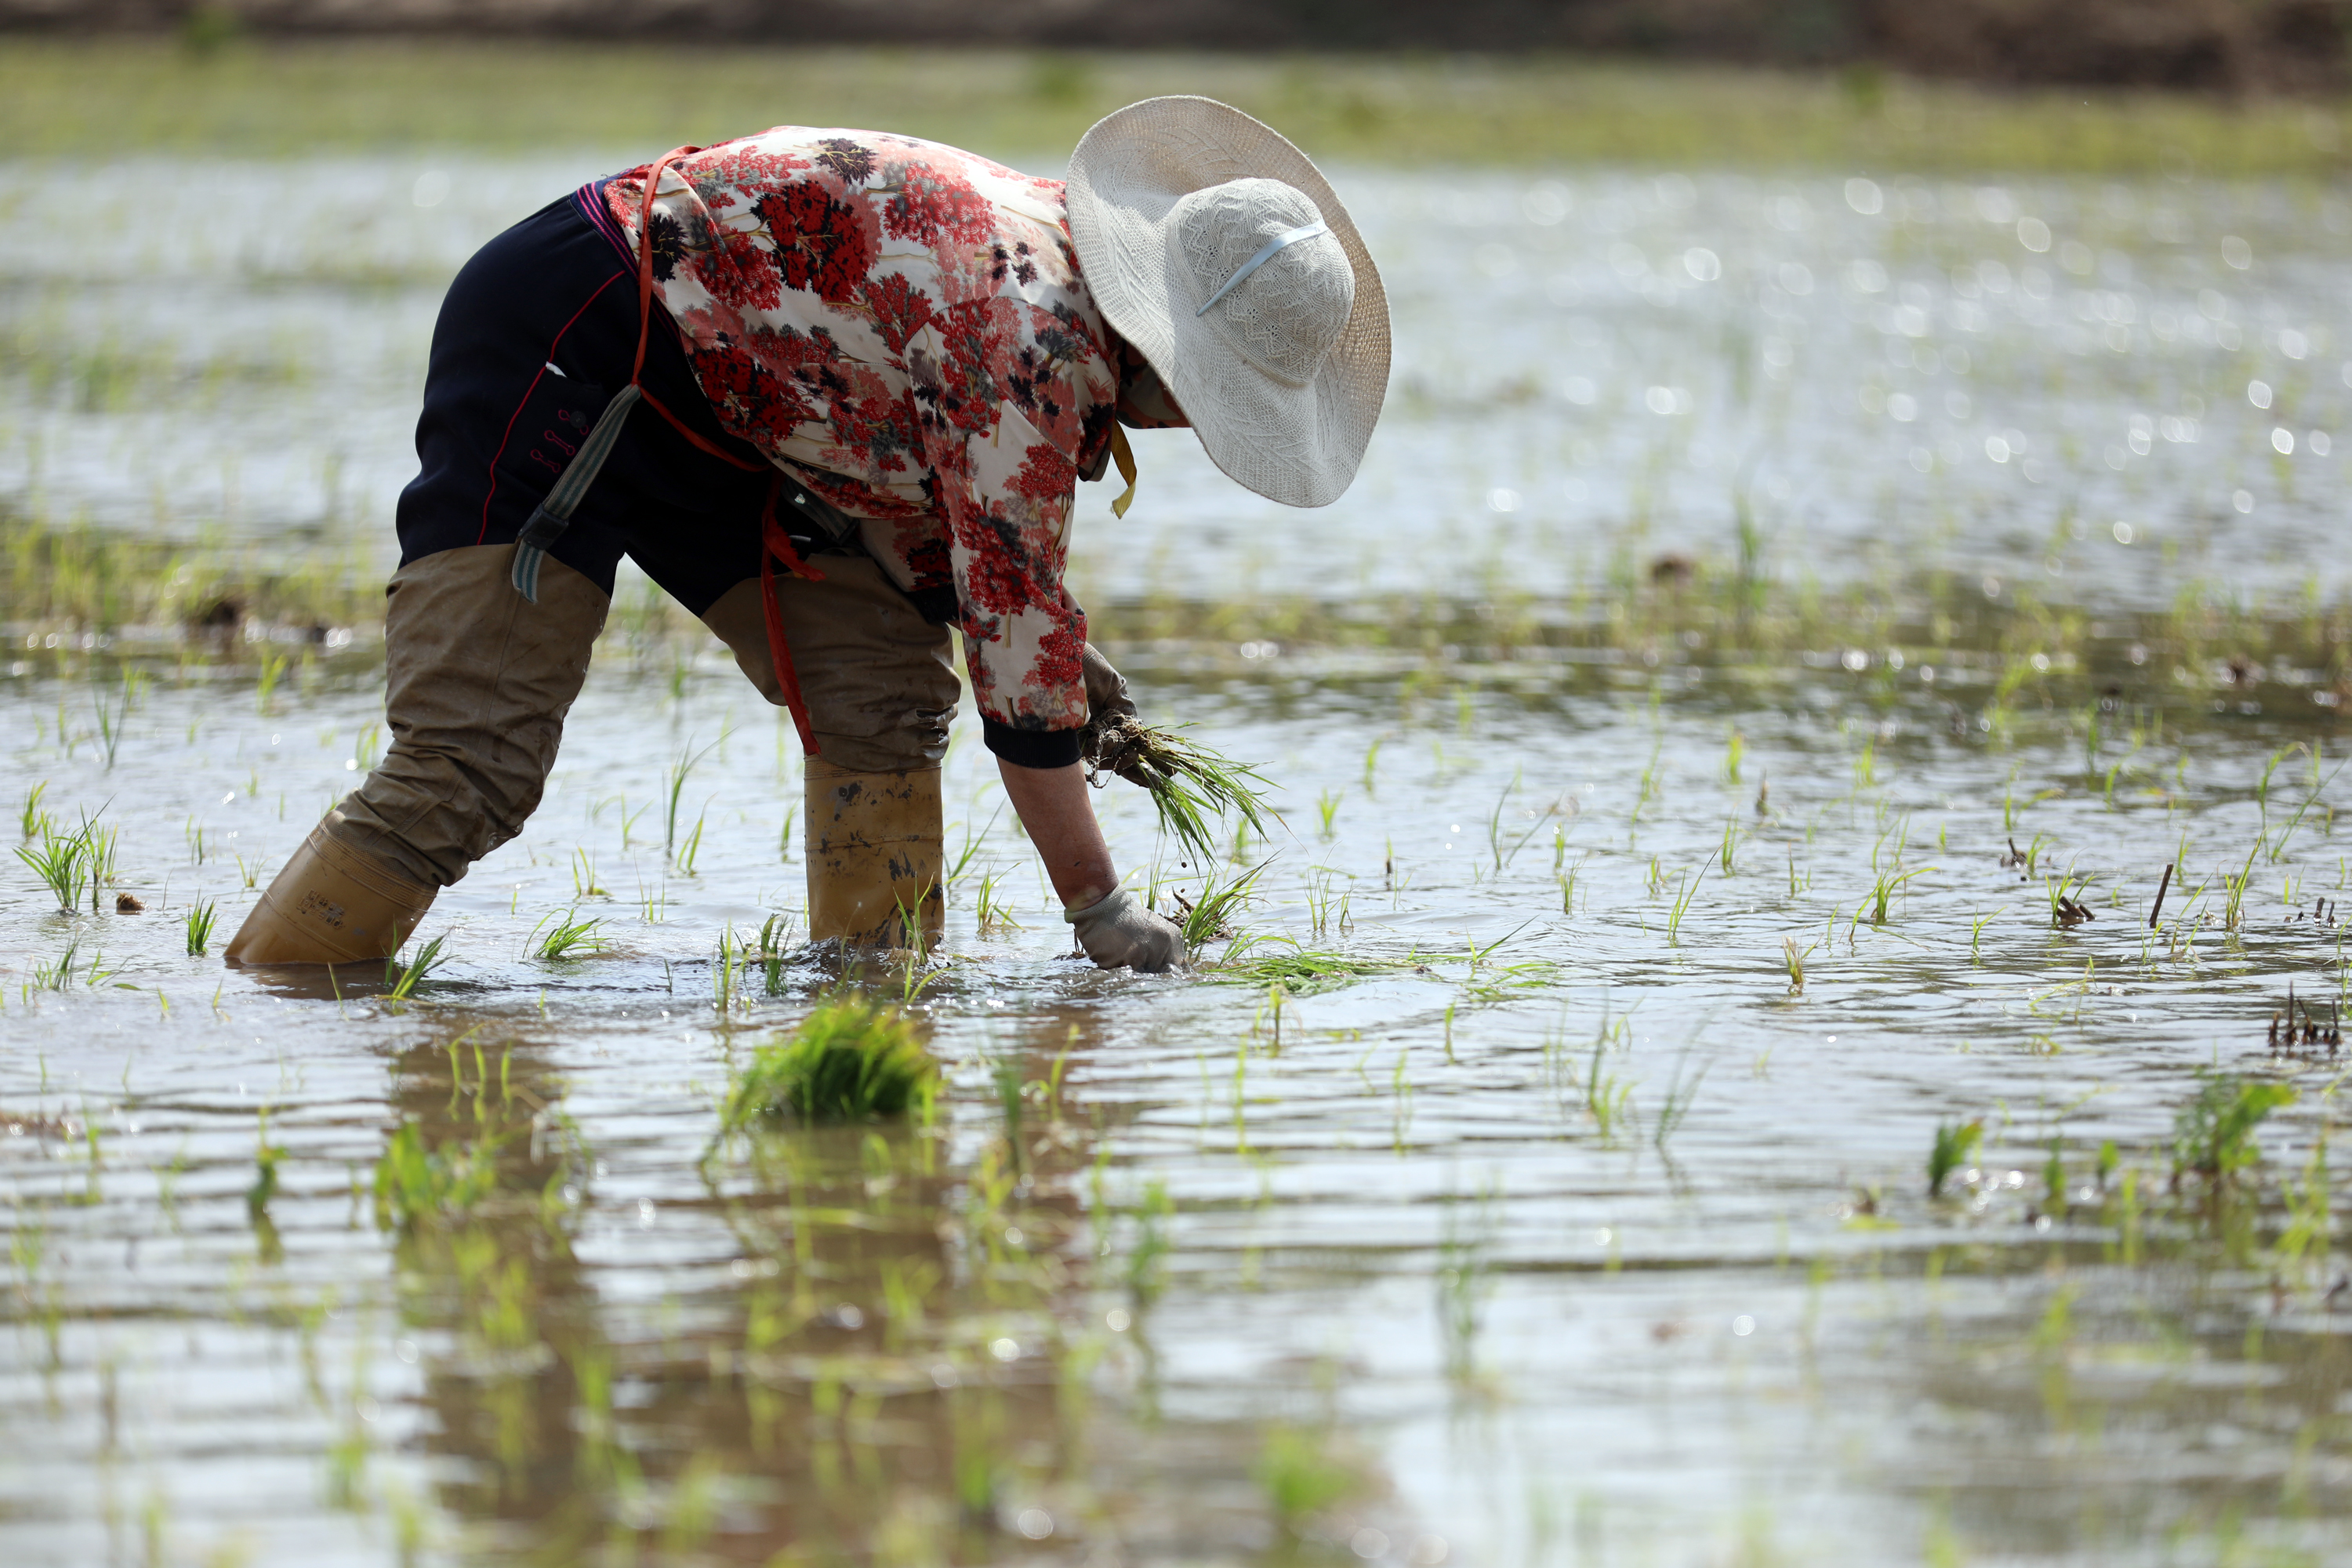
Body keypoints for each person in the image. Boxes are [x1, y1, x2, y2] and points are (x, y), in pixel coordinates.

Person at [223, 96, 1388, 973]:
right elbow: (1015, 642)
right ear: (1174, 359)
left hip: (744, 411)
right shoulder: (1029, 340)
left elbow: (971, 552)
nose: (1191, 424)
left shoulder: (1061, 292)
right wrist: (1100, 910)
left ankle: (870, 1012)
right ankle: (271, 1023)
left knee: (884, 694)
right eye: (1214, 400)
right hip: (588, 339)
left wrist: (1046, 649)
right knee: (467, 766)